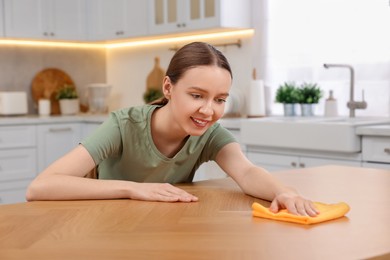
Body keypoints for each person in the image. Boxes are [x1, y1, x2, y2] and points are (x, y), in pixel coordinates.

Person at [26, 42, 318, 217]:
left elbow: (247, 172)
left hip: (164, 227)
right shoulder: (123, 125)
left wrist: (285, 192)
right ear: (168, 87)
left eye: (220, 99)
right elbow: (40, 187)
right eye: (196, 95)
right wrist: (133, 189)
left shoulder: (209, 135)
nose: (208, 110)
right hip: (107, 225)